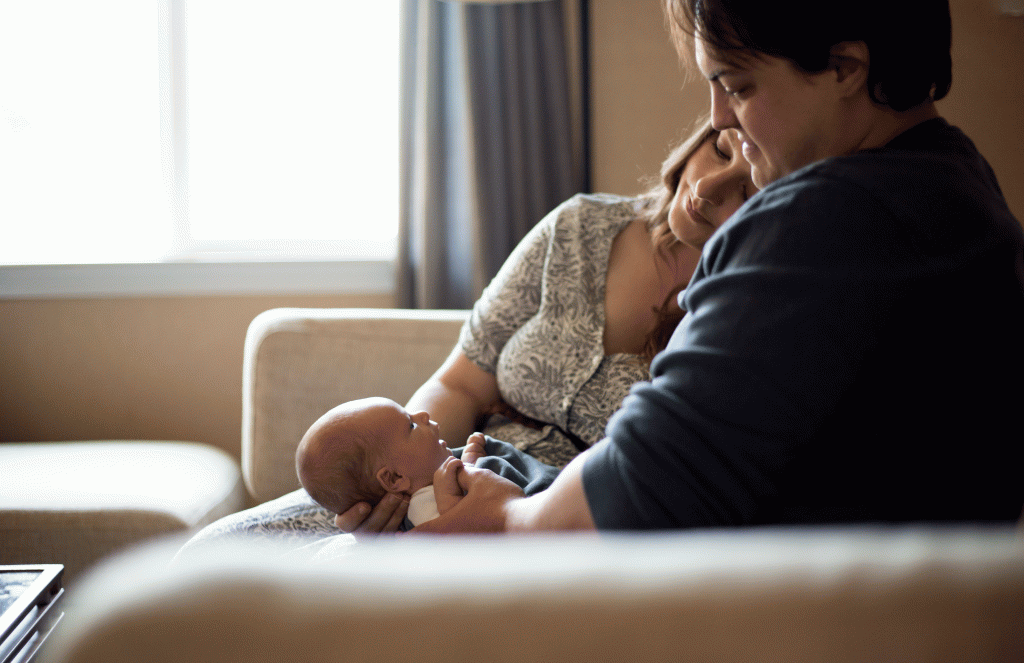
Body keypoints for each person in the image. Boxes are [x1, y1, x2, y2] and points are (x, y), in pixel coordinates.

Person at [388, 0, 1024, 533]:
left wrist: (508, 523)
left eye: (740, 86)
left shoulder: (817, 222)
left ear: (844, 66)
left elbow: (648, 479)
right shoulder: (962, 187)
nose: (718, 118)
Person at [335, 122, 757, 532]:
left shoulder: (742, 312)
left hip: (558, 526)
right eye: (720, 150)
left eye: (746, 189)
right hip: (442, 485)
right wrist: (400, 486)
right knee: (285, 546)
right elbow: (459, 384)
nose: (707, 188)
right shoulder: (578, 226)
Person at [295, 398, 557, 528]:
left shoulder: (430, 484)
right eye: (410, 424)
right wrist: (471, 467)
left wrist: (467, 460)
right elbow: (468, 521)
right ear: (395, 479)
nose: (423, 414)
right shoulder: (424, 510)